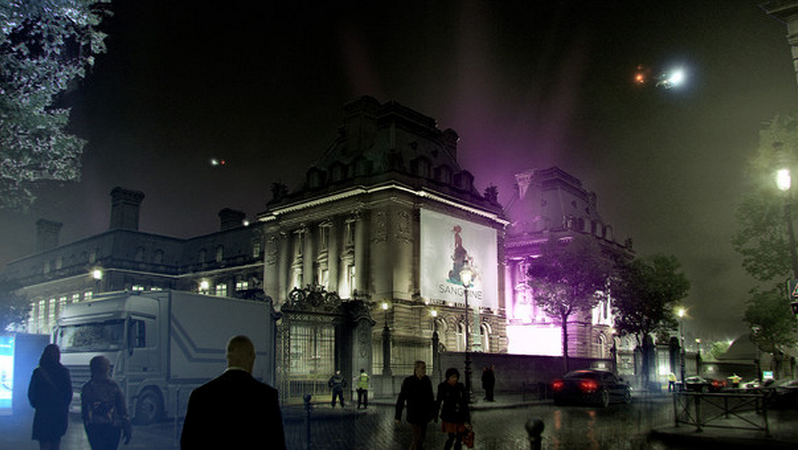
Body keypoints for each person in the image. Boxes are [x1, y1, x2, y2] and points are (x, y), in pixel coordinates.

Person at [181, 335, 285, 449]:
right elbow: (277, 443)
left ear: (228, 356)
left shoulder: (200, 394)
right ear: (251, 357)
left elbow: (188, 442)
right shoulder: (267, 395)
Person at [81, 355, 131, 450]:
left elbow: (85, 412)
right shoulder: (113, 386)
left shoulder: (87, 388)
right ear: (106, 370)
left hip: (95, 428)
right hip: (113, 427)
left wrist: (88, 426)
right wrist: (126, 426)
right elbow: (122, 409)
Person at [28, 344, 72, 450]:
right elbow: (68, 393)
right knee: (55, 440)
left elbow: (32, 393)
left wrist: (38, 405)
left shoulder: (38, 372)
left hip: (43, 413)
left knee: (44, 441)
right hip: (58, 413)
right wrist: (62, 406)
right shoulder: (64, 372)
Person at [395, 360, 436, 450]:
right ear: (416, 369)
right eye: (422, 368)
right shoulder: (409, 381)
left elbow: (431, 398)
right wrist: (398, 416)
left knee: (420, 438)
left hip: (424, 415)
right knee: (418, 439)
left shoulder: (427, 381)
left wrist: (433, 413)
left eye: (425, 368)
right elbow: (401, 398)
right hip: (414, 415)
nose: (424, 370)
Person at [436, 368, 470, 450]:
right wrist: (435, 413)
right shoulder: (443, 387)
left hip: (460, 416)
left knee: (459, 438)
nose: (455, 379)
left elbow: (464, 403)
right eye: (453, 377)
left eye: (456, 377)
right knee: (451, 438)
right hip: (449, 416)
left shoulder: (460, 386)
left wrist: (467, 418)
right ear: (448, 378)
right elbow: (439, 401)